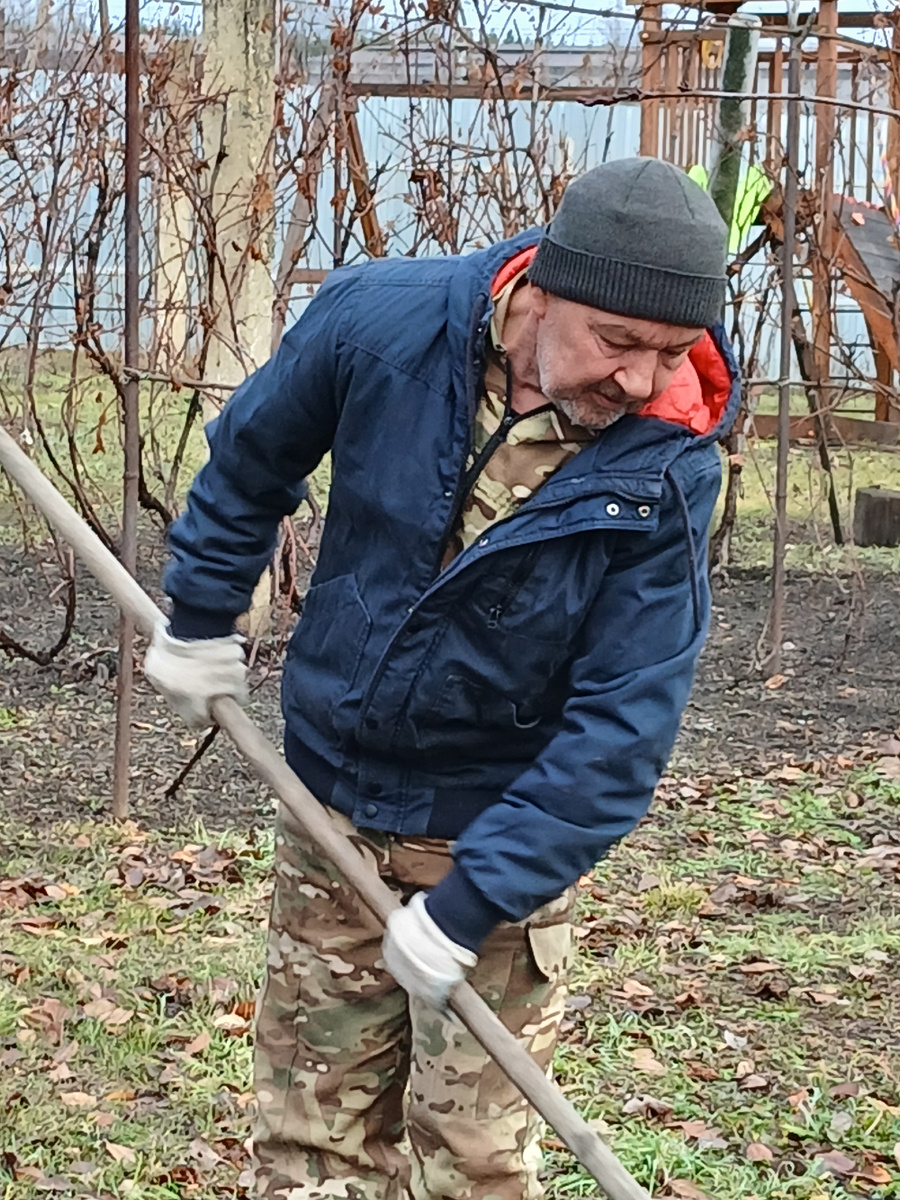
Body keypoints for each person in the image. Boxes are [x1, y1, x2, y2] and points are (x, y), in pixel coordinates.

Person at [145, 157, 738, 1200]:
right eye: (619, 343)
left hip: (496, 842)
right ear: (540, 293)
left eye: (671, 351)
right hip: (333, 806)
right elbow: (252, 458)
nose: (642, 381)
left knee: (472, 1166)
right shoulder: (382, 321)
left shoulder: (668, 467)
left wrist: (472, 904)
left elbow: (619, 734)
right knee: (309, 1148)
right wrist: (200, 617)